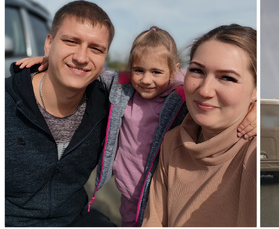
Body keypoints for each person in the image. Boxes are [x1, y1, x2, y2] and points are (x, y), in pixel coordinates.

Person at [16, 26, 258, 227]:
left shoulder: (180, 97)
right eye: (138, 70)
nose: (146, 79)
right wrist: (51, 63)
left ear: (173, 71)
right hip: (126, 187)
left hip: (150, 187)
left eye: (156, 72)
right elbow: (88, 72)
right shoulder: (123, 90)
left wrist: (258, 105)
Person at [5, 0, 117, 226]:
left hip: (74, 218)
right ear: (48, 44)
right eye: (70, 41)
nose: (82, 57)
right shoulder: (7, 101)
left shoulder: (109, 105)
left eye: (96, 48)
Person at [142, 24, 257, 227]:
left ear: (256, 90)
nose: (205, 90)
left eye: (227, 77)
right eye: (197, 71)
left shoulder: (254, 152)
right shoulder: (173, 141)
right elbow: (154, 220)